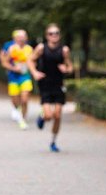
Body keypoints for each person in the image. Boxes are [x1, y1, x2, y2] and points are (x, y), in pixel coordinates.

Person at [28, 23, 73, 152]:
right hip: (45, 84)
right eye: (51, 33)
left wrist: (66, 69)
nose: (54, 36)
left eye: (56, 33)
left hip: (58, 85)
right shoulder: (41, 48)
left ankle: (53, 142)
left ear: (59, 35)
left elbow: (70, 67)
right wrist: (35, 72)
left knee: (57, 116)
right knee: (49, 115)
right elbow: (30, 60)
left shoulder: (64, 50)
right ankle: (42, 117)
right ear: (47, 36)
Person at [0, 29, 33, 129]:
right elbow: (4, 62)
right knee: (15, 100)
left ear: (26, 38)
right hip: (13, 77)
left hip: (25, 77)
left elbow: (33, 62)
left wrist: (31, 68)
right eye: (19, 37)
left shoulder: (29, 49)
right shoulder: (11, 49)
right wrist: (14, 68)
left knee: (25, 99)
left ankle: (23, 119)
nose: (21, 39)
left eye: (23, 37)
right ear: (15, 39)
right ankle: (16, 110)